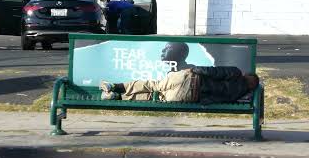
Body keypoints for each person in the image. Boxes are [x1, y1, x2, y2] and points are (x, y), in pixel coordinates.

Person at [100, 66, 259, 105]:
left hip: (191, 79)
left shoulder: (236, 72)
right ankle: (117, 96)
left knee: (153, 85)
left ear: (246, 75)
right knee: (157, 97)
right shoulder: (237, 95)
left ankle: (116, 86)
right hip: (190, 96)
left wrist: (193, 70)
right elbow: (214, 100)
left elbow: (214, 72)